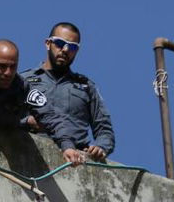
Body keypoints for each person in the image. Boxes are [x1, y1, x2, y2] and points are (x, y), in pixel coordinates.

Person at [21, 22, 115, 162]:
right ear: (48, 43)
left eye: (72, 47)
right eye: (59, 43)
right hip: (30, 154)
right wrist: (26, 121)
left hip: (75, 162)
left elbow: (104, 129)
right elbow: (3, 114)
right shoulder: (24, 80)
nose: (65, 50)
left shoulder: (86, 86)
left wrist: (101, 147)